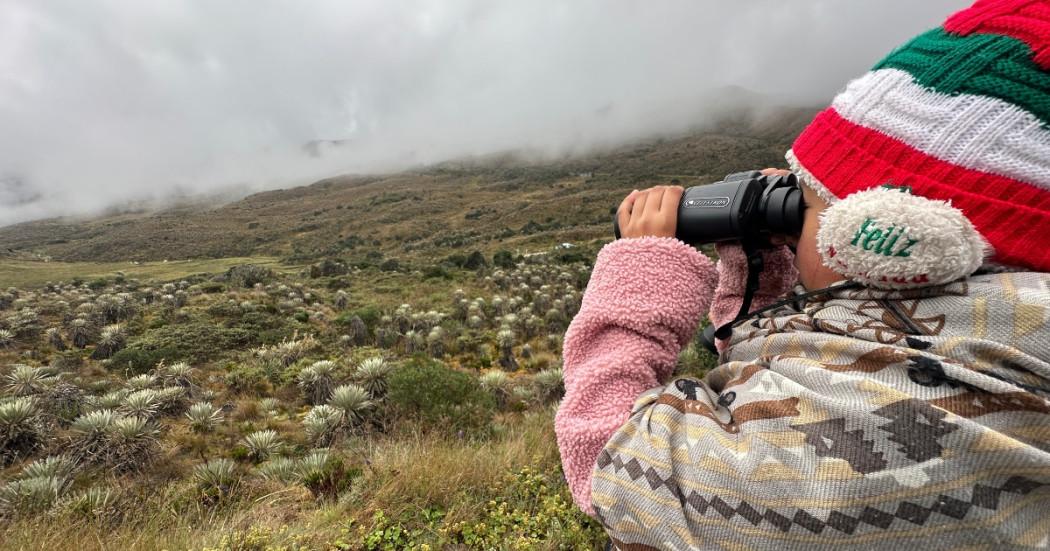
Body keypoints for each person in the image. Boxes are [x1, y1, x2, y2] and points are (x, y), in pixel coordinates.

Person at [555, 0, 1050, 548]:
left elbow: (609, 462)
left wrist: (640, 276)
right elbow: (789, 390)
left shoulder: (904, 428)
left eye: (807, 203)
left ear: (898, 238)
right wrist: (762, 282)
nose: (791, 216)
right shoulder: (1000, 351)